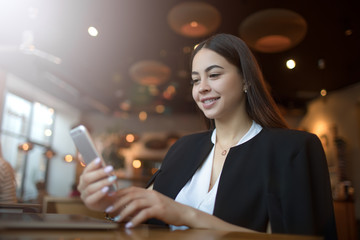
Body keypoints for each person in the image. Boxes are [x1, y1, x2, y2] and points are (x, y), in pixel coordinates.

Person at [78, 33, 337, 239]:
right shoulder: (183, 148)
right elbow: (146, 213)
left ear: (246, 80)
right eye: (195, 80)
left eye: (214, 75)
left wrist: (185, 215)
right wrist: (108, 203)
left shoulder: (292, 149)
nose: (202, 88)